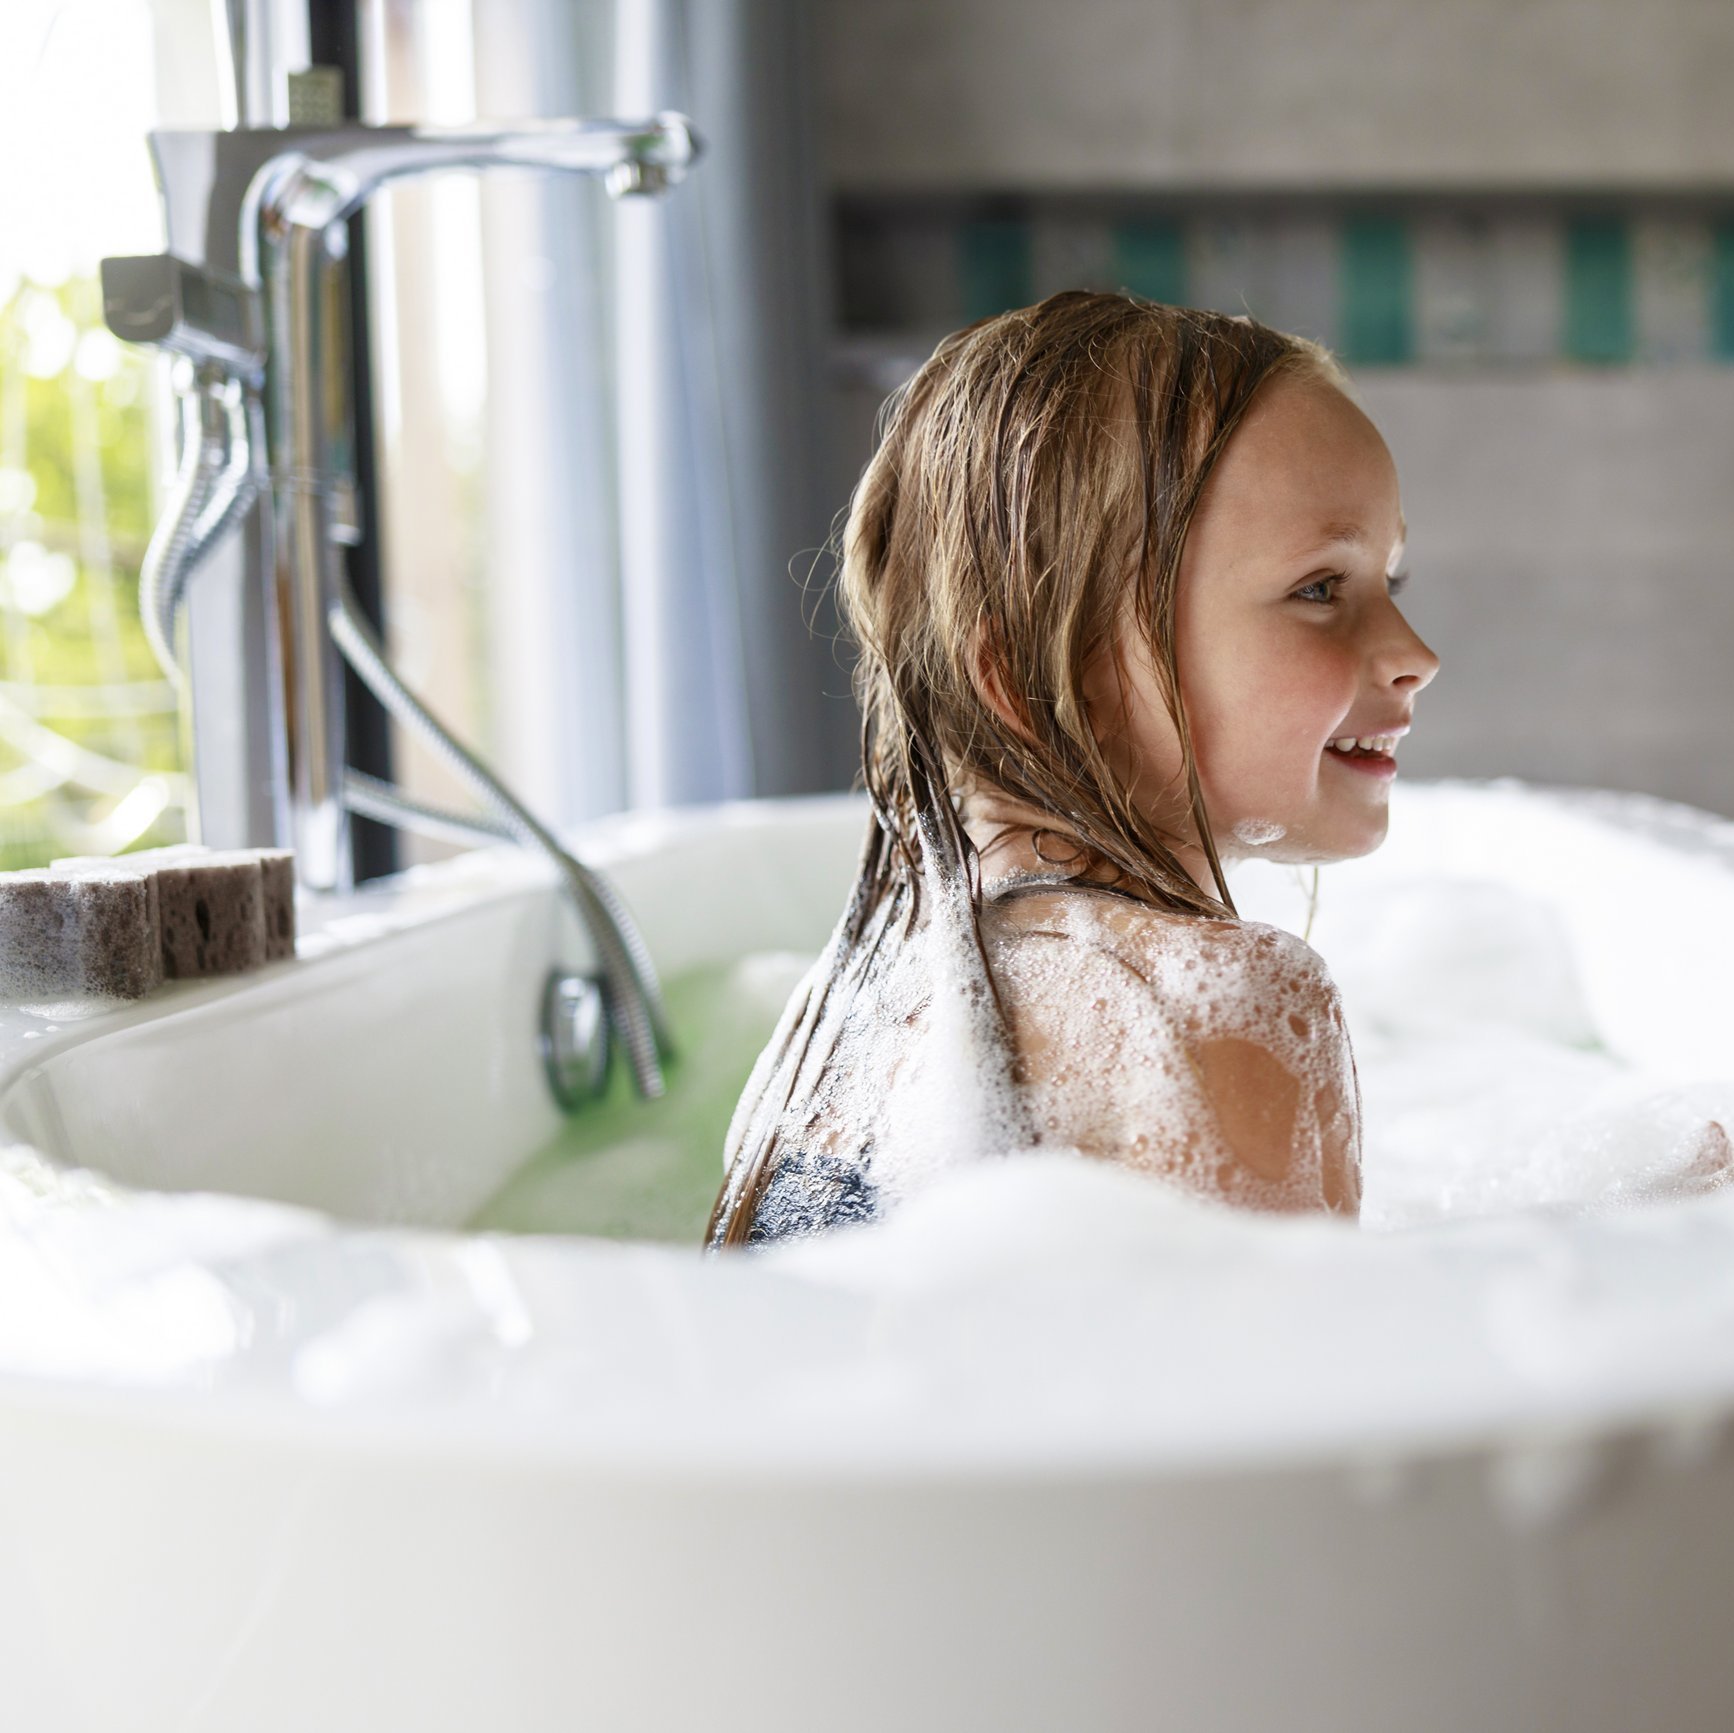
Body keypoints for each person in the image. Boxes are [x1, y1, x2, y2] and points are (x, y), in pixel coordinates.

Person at [707, 290, 1440, 1250]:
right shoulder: (1216, 1005)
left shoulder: (841, 1019)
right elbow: (1326, 1392)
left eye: (1391, 582)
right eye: (1318, 589)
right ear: (1029, 675)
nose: (1414, 651)